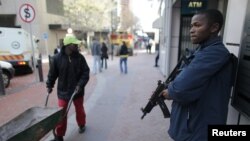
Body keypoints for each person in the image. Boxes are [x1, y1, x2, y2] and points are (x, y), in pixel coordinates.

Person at [161, 9, 235, 141]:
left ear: (214, 27)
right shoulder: (200, 51)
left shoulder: (214, 53)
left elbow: (180, 88)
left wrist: (169, 91)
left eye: (197, 25)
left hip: (198, 131)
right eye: (191, 26)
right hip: (191, 127)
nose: (191, 30)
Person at [46, 35, 90, 141]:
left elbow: (85, 72)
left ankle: (82, 124)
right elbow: (52, 74)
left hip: (77, 91)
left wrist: (80, 85)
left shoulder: (80, 58)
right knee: (61, 114)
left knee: (79, 110)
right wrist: (49, 85)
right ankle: (59, 135)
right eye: (74, 44)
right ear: (68, 45)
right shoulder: (56, 58)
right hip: (63, 92)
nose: (77, 45)